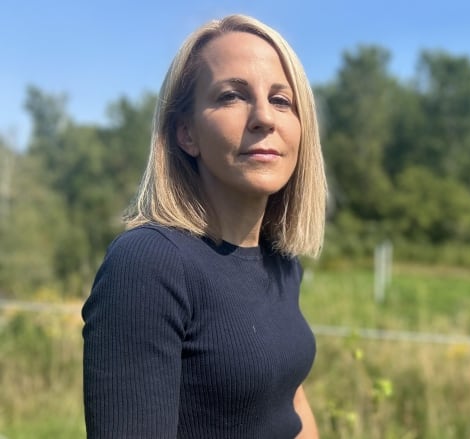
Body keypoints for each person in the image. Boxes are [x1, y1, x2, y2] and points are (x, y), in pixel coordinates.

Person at [81, 14, 327, 438]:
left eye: (282, 101)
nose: (264, 118)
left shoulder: (281, 263)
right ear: (186, 134)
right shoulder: (149, 264)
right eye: (232, 96)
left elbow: (290, 400)